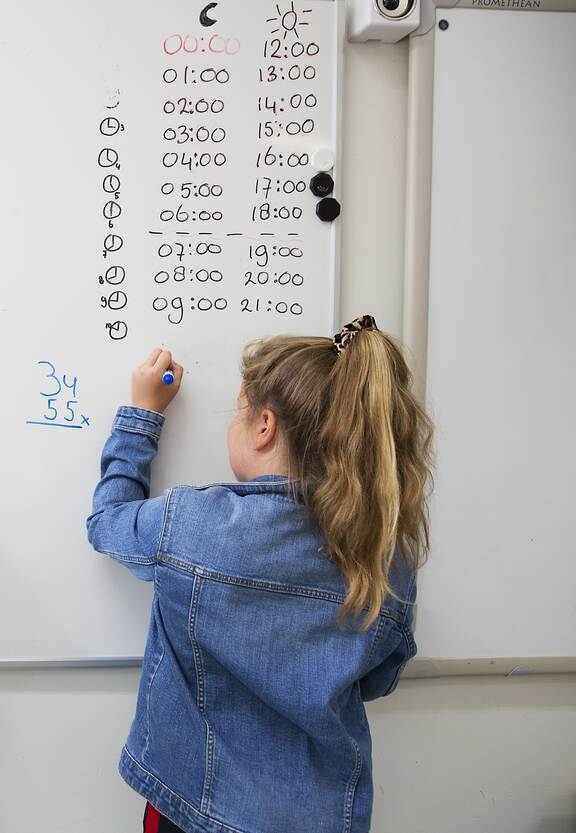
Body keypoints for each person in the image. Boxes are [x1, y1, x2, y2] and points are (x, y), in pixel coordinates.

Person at [87, 317, 433, 833]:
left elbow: (107, 523)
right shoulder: (385, 556)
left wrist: (142, 415)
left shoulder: (194, 526)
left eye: (239, 413)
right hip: (319, 818)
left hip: (193, 810)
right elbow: (377, 679)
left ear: (265, 426)